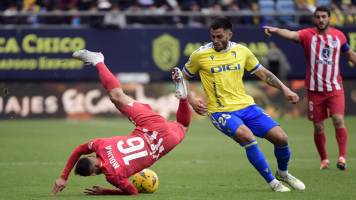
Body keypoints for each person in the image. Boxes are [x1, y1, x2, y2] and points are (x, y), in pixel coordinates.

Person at [182, 17, 305, 192]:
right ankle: (273, 182)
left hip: (247, 107)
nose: (215, 40)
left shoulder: (242, 51)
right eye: (212, 37)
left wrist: (285, 89)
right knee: (246, 136)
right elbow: (183, 77)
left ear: (229, 34)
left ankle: (283, 173)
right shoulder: (200, 55)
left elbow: (263, 73)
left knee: (281, 138)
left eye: (219, 36)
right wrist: (192, 100)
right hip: (220, 111)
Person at [52, 49, 191, 195]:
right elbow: (79, 149)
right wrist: (63, 177)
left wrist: (105, 192)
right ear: (91, 156)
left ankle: (183, 99)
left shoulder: (113, 176)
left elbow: (133, 192)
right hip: (149, 127)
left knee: (184, 126)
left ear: (93, 174)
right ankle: (97, 60)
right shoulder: (100, 145)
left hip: (161, 144)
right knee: (117, 96)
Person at [264, 6, 356, 170]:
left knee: (338, 119)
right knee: (318, 125)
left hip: (335, 88)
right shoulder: (308, 35)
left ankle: (342, 157)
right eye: (318, 17)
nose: (321, 20)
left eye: (324, 17)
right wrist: (276, 30)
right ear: (315, 19)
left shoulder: (339, 36)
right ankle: (324, 159)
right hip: (314, 90)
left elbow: (350, 55)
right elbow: (292, 35)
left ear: (329, 18)